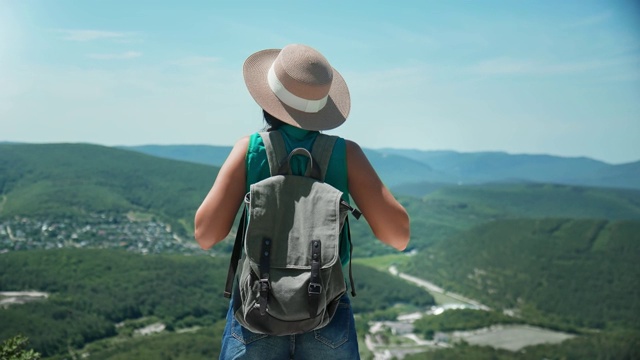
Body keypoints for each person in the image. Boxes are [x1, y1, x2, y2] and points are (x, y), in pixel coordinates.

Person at [194, 43, 410, 360]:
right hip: (327, 308)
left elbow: (206, 235)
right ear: (322, 105)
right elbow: (399, 236)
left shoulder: (249, 149)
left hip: (257, 307)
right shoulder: (345, 154)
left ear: (268, 99)